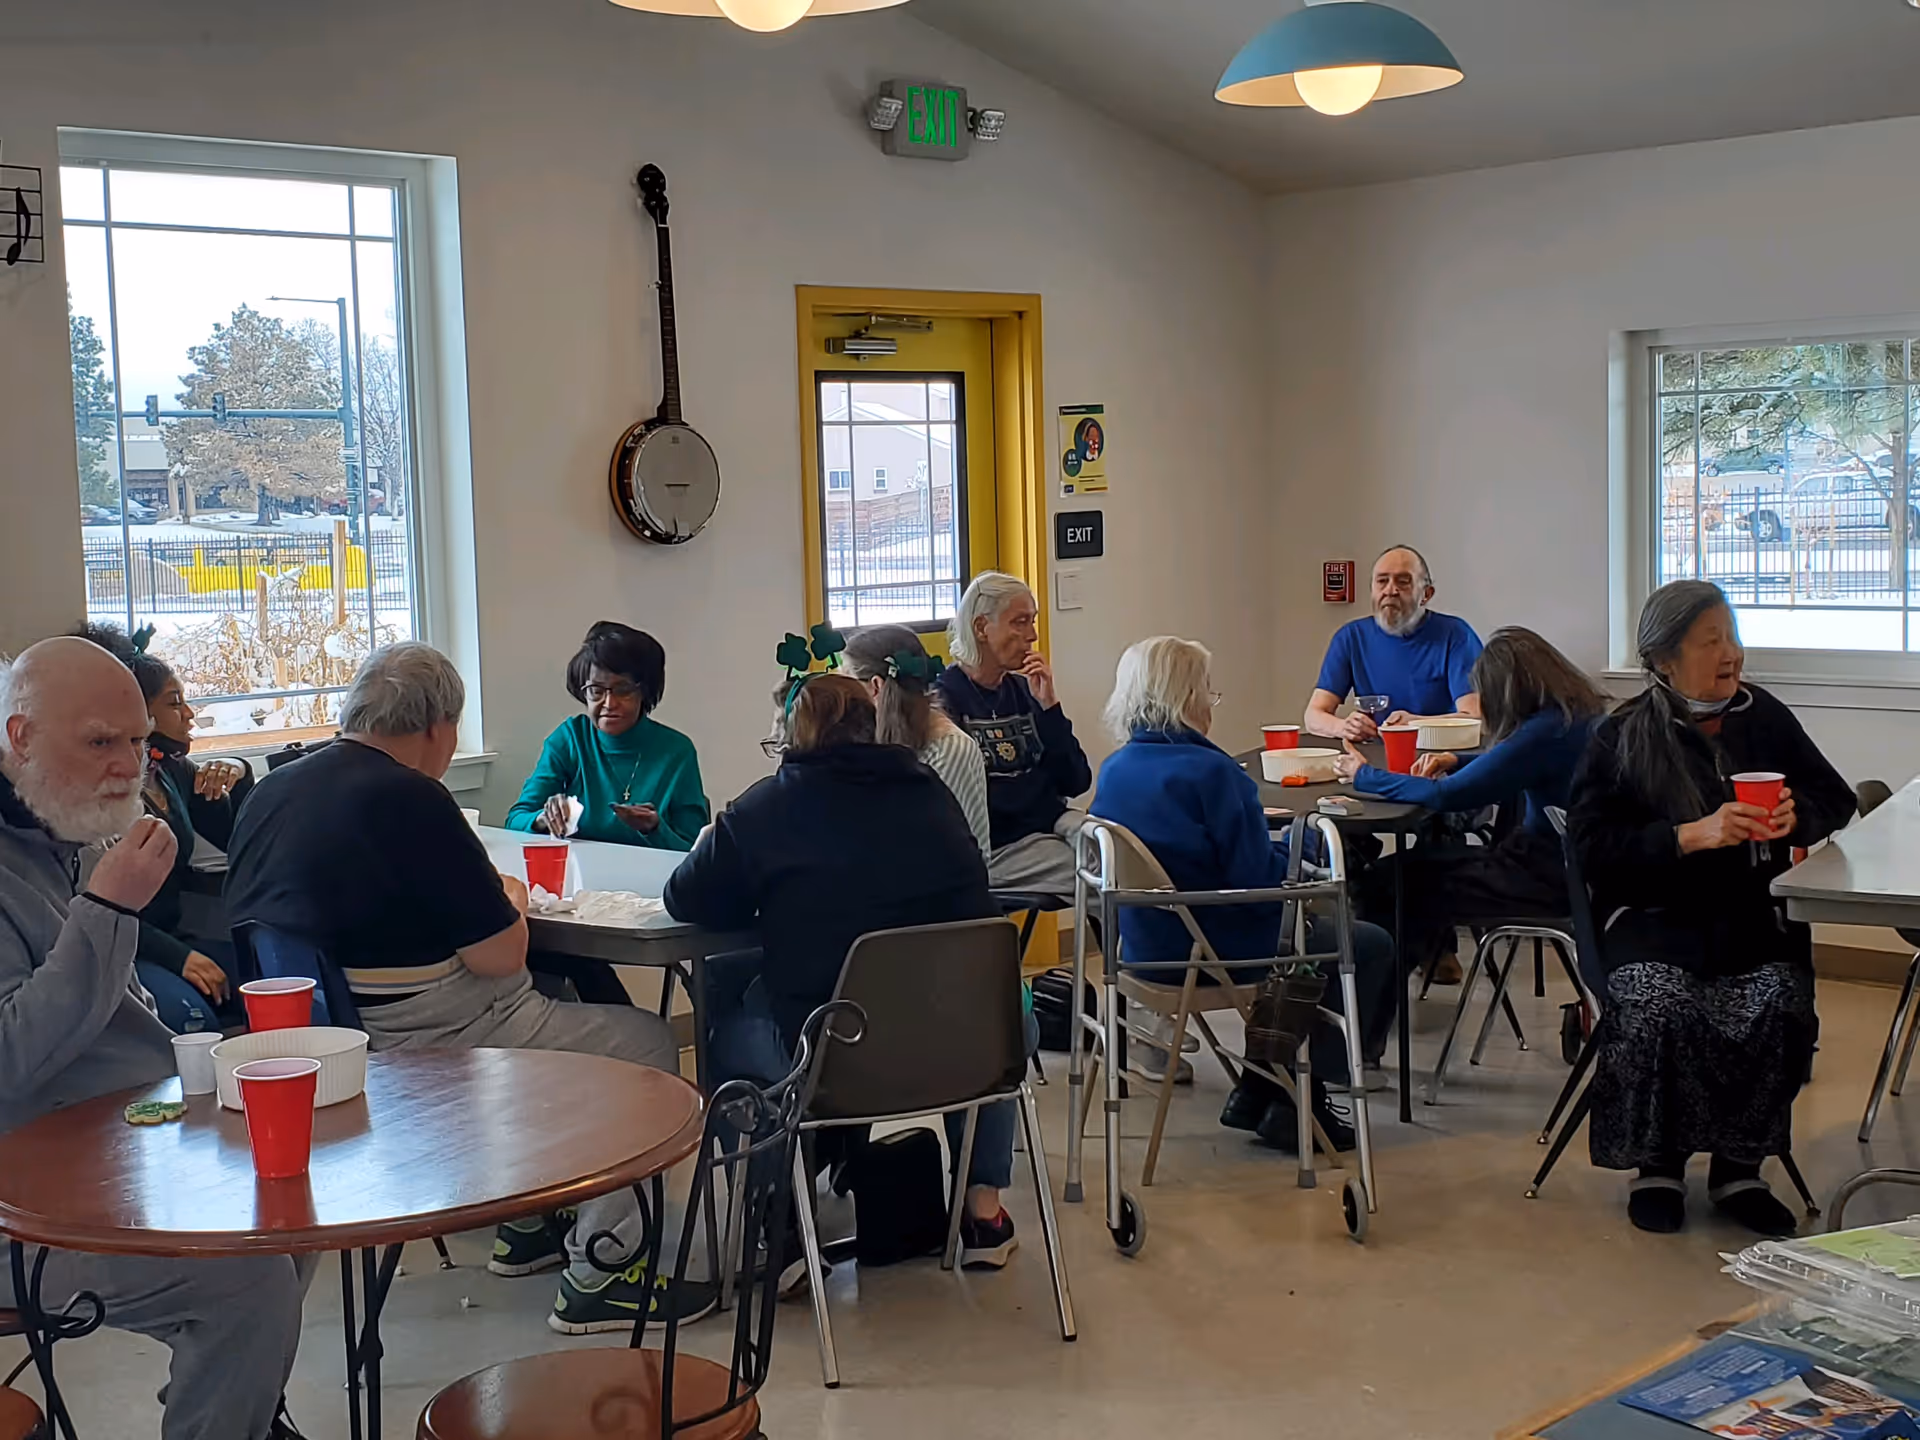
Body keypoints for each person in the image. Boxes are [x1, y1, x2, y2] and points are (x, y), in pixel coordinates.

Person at [224, 642, 691, 1331]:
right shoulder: (411, 797)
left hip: (319, 1043)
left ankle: (530, 1222)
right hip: (430, 1037)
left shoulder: (273, 789)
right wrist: (510, 896)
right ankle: (603, 1271)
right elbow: (503, 957)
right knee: (645, 1045)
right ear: (439, 728)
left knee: (569, 1008)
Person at [0, 637, 307, 1440]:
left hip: (116, 1154)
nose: (129, 765)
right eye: (102, 742)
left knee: (293, 1208)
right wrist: (108, 914)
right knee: (250, 1283)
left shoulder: (65, 826)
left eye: (139, 741)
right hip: (23, 1205)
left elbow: (118, 1019)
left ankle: (233, 1408)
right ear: (20, 737)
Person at [663, 670, 1024, 1267]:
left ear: (791, 739)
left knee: (725, 1010)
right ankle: (983, 1212)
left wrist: (720, 844)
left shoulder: (764, 809)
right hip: (971, 1047)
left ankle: (775, 1228)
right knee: (981, 1013)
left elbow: (686, 900)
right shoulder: (929, 788)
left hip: (837, 1059)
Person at [1568, 580, 1855, 1237]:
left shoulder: (1764, 716)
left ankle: (1740, 1167)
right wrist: (1685, 837)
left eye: (1732, 635)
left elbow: (1833, 797)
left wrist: (1794, 816)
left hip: (1749, 918)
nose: (1732, 653)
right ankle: (1658, 1166)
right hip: (1653, 922)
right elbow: (1589, 846)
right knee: (1660, 1001)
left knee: (1777, 997)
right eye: (1711, 641)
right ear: (1665, 659)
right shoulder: (1622, 735)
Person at [1088, 636, 1397, 1151]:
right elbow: (1258, 882)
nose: (1211, 702)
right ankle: (1302, 1094)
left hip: (1145, 947)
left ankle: (1260, 1086)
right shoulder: (1214, 773)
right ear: (1185, 698)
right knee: (1364, 942)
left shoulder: (1116, 768)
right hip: (1215, 947)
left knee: (1311, 929)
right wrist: (1304, 853)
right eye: (1208, 690)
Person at [1336, 626, 1608, 982]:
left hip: (1542, 879)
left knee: (1389, 882)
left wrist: (1364, 775)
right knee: (1408, 873)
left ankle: (1371, 1001)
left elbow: (1446, 796)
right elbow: (1508, 764)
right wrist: (1455, 760)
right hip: (1569, 870)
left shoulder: (1544, 733)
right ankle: (1404, 975)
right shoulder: (1575, 717)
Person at [81, 624, 251, 1033]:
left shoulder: (169, 771)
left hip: (176, 936)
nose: (189, 715)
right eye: (175, 704)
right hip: (132, 947)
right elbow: (99, 907)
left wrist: (237, 773)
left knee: (274, 983)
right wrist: (181, 958)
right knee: (192, 1018)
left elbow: (236, 836)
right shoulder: (97, 794)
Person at [934, 572, 1092, 894]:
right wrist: (1037, 800)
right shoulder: (943, 700)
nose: (1032, 635)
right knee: (1101, 879)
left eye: (1032, 621)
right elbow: (963, 805)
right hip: (997, 847)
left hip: (1049, 827)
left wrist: (1050, 707)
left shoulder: (1024, 690)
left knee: (1123, 852)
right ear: (981, 628)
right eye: (1019, 622)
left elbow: (1076, 781)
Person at [505, 621, 708, 850]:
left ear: (644, 691)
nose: (609, 703)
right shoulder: (569, 739)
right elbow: (515, 820)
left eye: (623, 690)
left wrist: (654, 829)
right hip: (580, 879)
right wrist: (544, 819)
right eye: (596, 691)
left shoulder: (676, 751)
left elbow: (694, 848)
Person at [1305, 545, 1484, 740]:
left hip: (1439, 757)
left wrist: (1416, 725)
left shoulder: (1457, 635)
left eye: (1403, 581)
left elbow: (1476, 718)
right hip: (1373, 759)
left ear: (1426, 594)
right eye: (1382, 581)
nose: (1390, 590)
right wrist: (1343, 727)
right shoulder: (1350, 637)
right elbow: (1314, 715)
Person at [842, 624, 989, 856]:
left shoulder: (949, 750)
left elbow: (923, 845)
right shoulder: (872, 736)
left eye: (849, 681)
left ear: (875, 687)